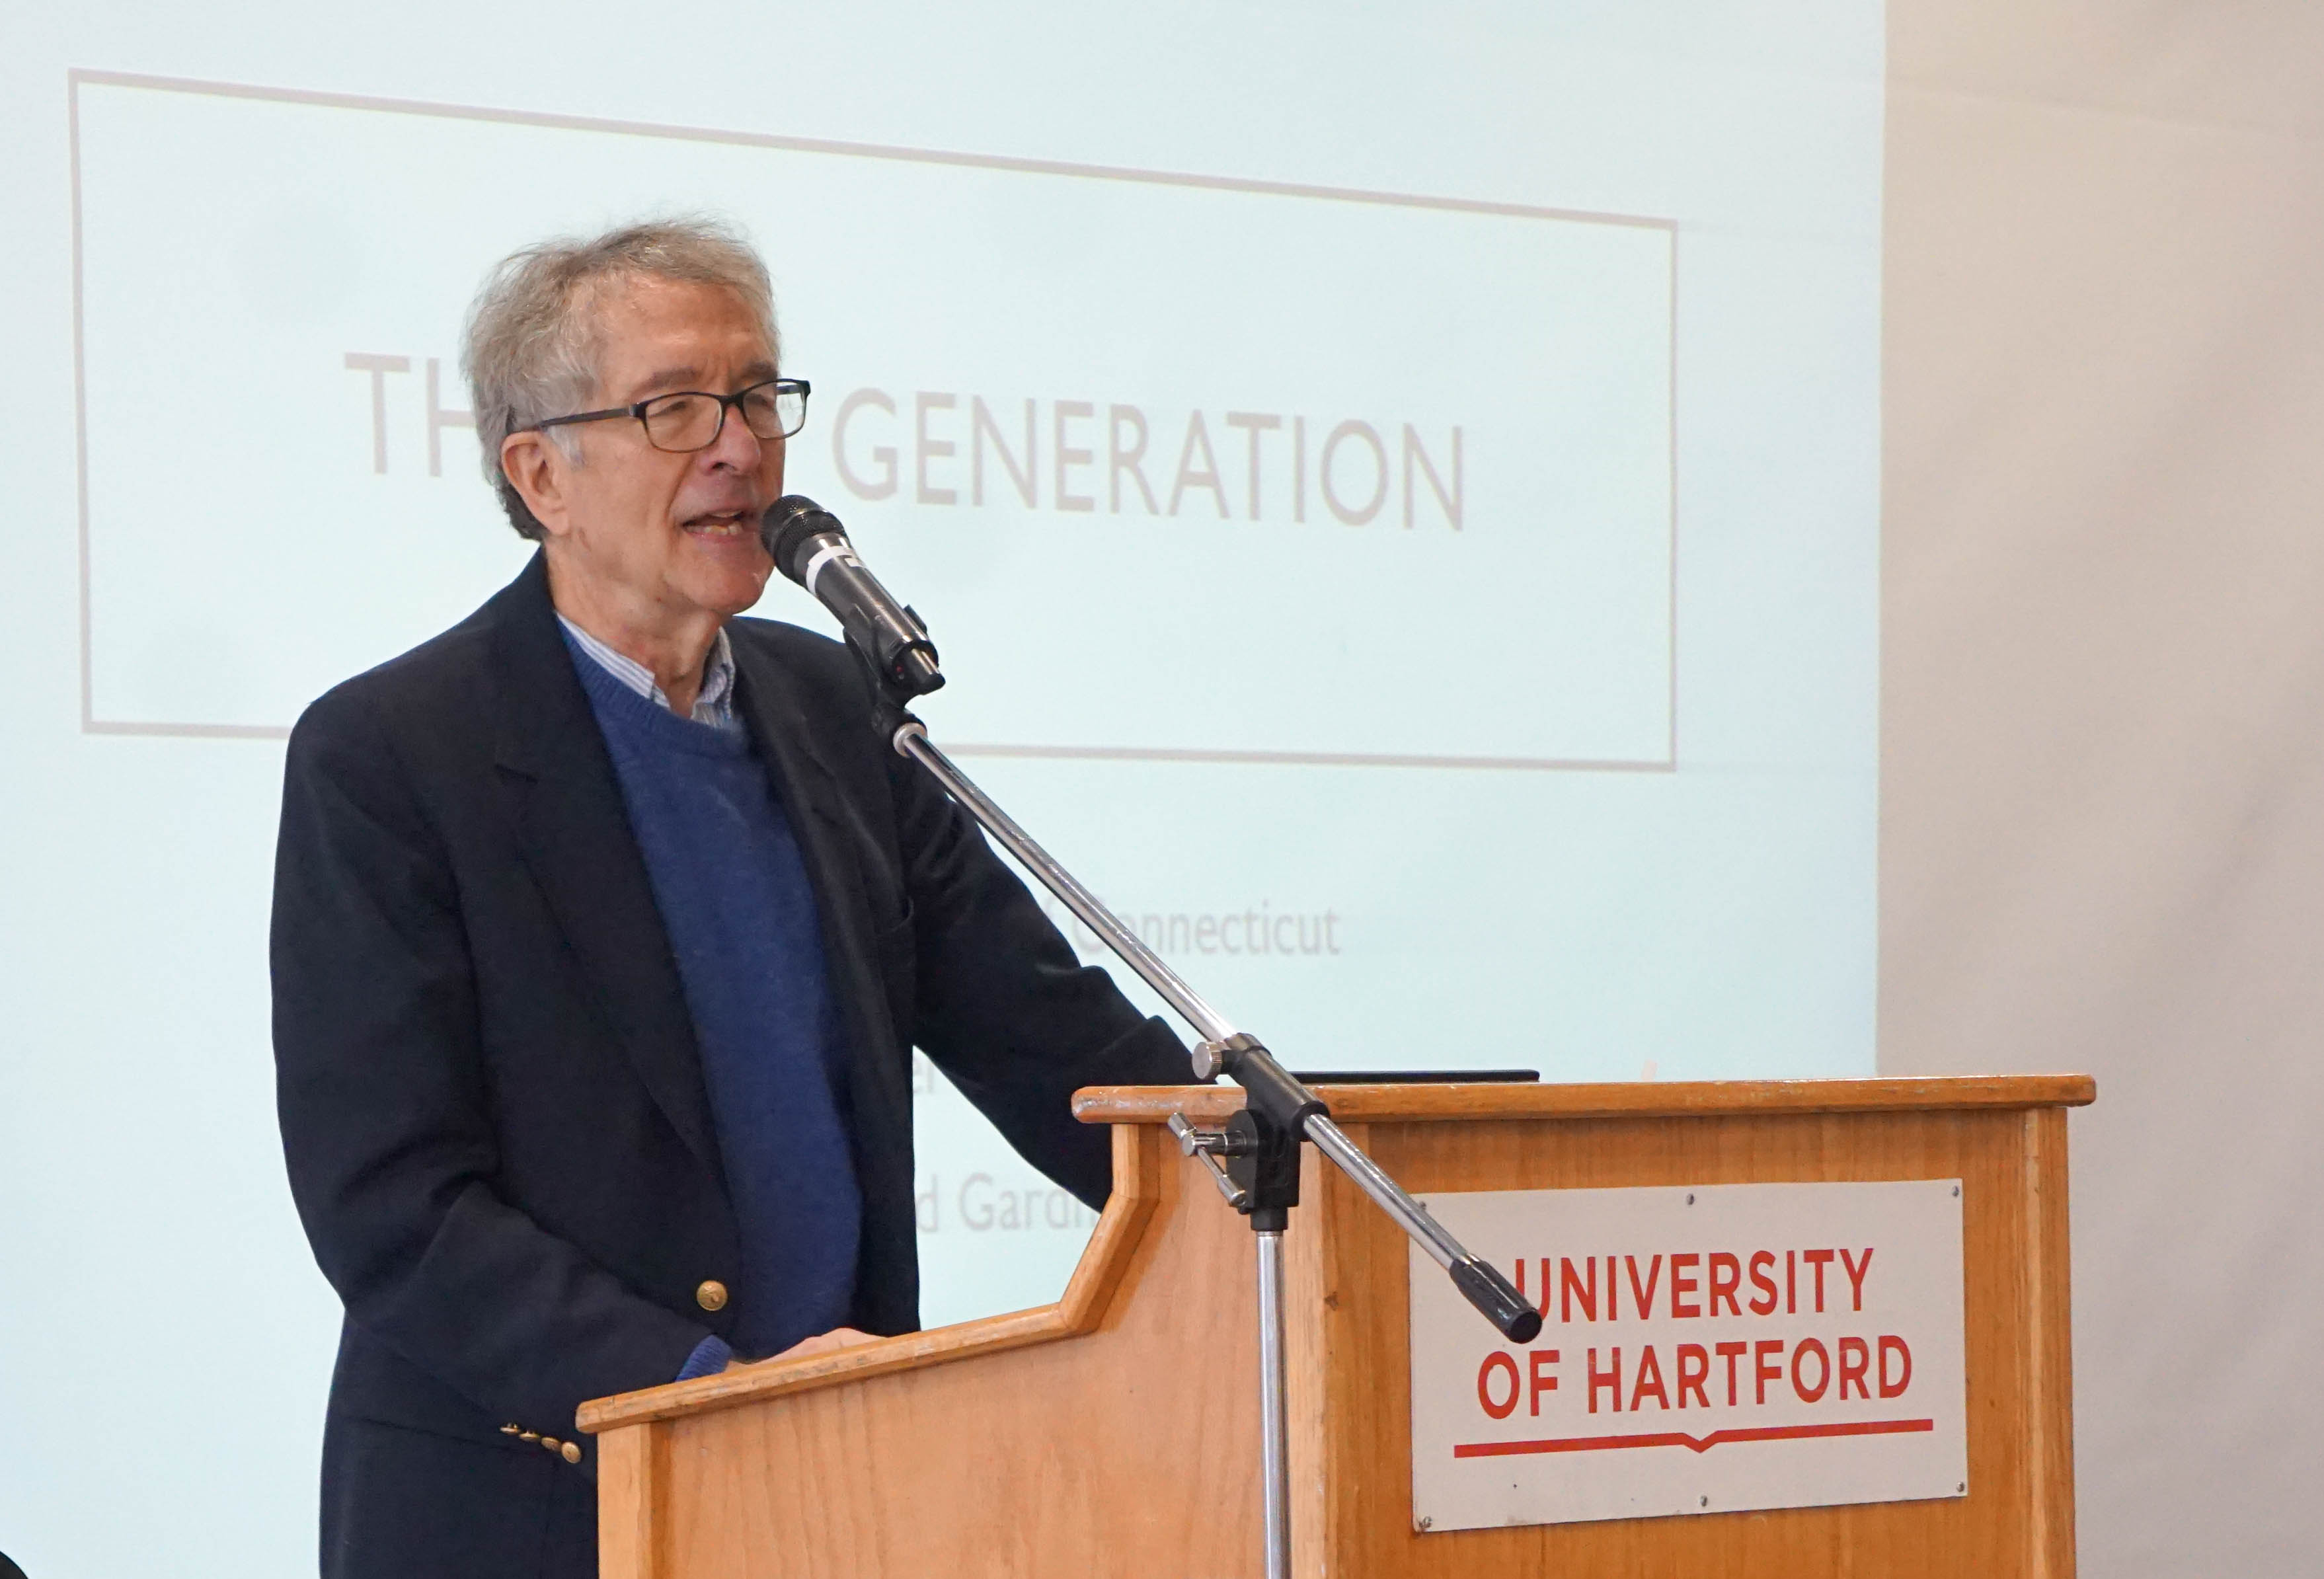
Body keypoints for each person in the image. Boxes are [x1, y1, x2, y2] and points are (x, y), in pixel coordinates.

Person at [270, 218, 1190, 1579]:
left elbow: (1053, 1040)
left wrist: (1272, 1174)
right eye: (676, 407)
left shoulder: (836, 709)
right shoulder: (396, 754)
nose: (742, 445)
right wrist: (702, 1388)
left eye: (760, 396)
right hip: (532, 1513)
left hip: (832, 1492)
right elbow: (393, 1205)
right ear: (542, 476)